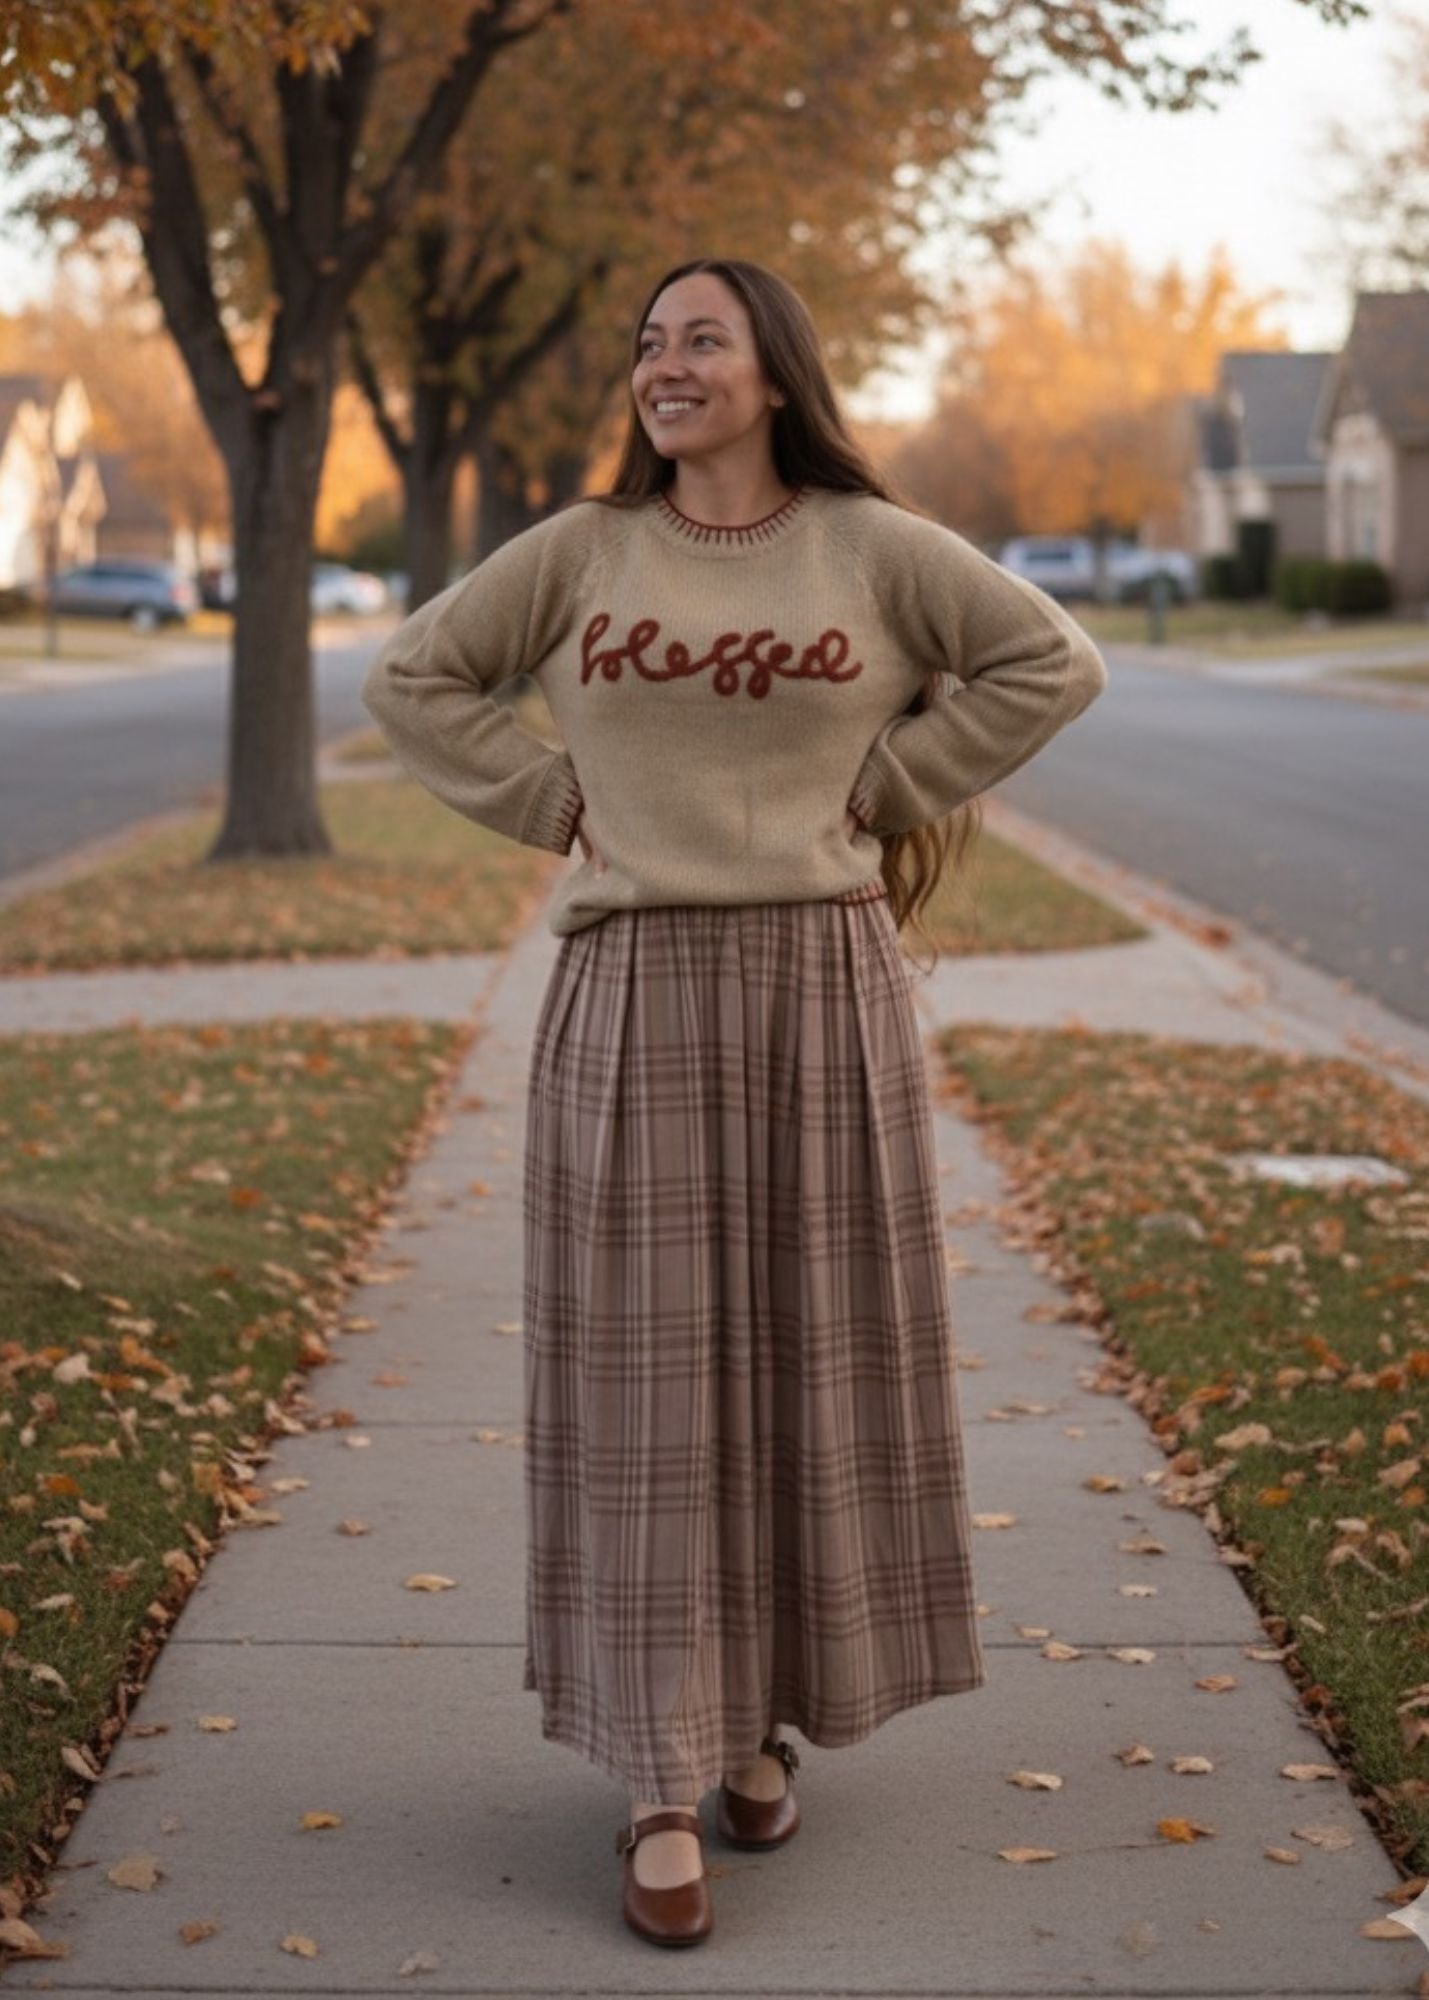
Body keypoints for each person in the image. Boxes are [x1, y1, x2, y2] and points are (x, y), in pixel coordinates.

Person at [359, 255, 1109, 1949]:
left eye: (700, 337)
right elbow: (412, 684)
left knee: (798, 1372)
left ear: (774, 370)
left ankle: (762, 1722)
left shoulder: (865, 548)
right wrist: (555, 795)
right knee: (644, 1398)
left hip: (823, 999)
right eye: (646, 341)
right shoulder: (580, 553)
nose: (663, 362)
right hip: (632, 1000)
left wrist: (887, 784)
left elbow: (1045, 662)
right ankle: (649, 1772)